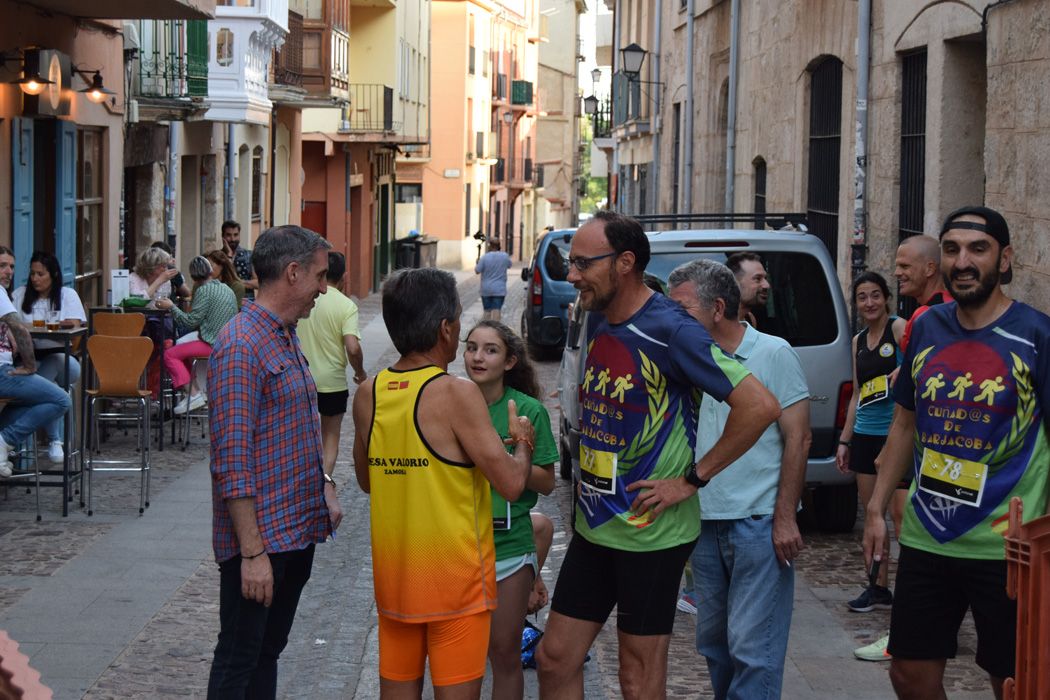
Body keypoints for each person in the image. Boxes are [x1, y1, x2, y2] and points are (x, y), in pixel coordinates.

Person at [535, 210, 782, 700]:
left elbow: (759, 406)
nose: (570, 274)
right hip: (597, 523)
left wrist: (691, 480)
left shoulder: (674, 329)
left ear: (624, 262)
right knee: (554, 658)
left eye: (583, 263)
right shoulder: (598, 317)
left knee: (637, 675)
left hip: (651, 535)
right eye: (570, 262)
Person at [863, 206, 1050, 700]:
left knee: (1013, 680)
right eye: (952, 250)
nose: (963, 261)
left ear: (1004, 259)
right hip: (929, 536)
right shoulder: (926, 328)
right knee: (908, 672)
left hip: (1008, 546)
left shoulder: (1037, 335)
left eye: (977, 249)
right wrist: (877, 507)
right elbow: (905, 422)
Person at [351, 268, 533, 699]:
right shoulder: (456, 393)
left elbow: (366, 480)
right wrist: (522, 440)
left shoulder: (369, 393)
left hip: (396, 586)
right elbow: (511, 485)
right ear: (446, 329)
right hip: (457, 589)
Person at [206, 226, 341, 699]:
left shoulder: (284, 335)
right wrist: (252, 554)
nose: (324, 288)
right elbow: (233, 463)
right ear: (292, 272)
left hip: (295, 533)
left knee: (265, 654)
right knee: (239, 659)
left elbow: (297, 430)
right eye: (320, 277)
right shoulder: (242, 345)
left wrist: (324, 482)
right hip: (263, 542)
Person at [667, 259, 810, 698]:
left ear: (718, 308)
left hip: (757, 522)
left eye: (683, 309)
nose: (673, 319)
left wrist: (784, 517)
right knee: (715, 645)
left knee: (754, 647)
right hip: (704, 521)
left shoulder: (772, 353)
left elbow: (798, 438)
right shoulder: (687, 358)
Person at [463, 320, 557, 699]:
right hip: (459, 546)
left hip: (510, 547)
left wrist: (506, 457)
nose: (477, 357)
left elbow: (548, 482)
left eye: (490, 350)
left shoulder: (529, 411)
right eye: (471, 348)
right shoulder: (451, 402)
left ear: (510, 361)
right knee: (464, 656)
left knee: (504, 654)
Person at [836, 272, 906, 612]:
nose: (869, 303)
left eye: (875, 295)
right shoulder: (858, 341)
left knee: (901, 514)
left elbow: (914, 373)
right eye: (863, 297)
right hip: (865, 435)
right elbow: (858, 394)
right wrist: (844, 441)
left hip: (897, 438)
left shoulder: (899, 329)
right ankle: (878, 588)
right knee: (872, 514)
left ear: (886, 298)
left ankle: (914, 588)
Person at [0, 246, 71, 478]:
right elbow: (19, 327)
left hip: (12, 367)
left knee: (25, 405)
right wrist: (30, 366)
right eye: (2, 266)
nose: (8, 271)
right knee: (61, 399)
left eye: (11, 266)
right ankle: (4, 442)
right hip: (2, 372)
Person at [296, 252, 366, 478]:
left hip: (301, 377)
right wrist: (360, 372)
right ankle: (324, 481)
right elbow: (353, 347)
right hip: (332, 382)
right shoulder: (346, 306)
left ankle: (301, 480)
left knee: (300, 435)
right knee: (331, 437)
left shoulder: (304, 299)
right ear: (344, 276)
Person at [155, 256, 239, 416]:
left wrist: (171, 307)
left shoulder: (203, 290)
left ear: (193, 277)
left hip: (211, 343)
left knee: (169, 354)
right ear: (210, 271)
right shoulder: (226, 288)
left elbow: (189, 322)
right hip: (227, 342)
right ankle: (195, 392)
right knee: (181, 348)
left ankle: (193, 394)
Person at [894, 233, 951, 352]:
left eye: (904, 266)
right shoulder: (953, 304)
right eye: (897, 266)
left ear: (929, 269)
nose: (897, 273)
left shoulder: (925, 315)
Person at [726, 252, 771, 326]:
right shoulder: (710, 326)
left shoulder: (750, 320)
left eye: (765, 278)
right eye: (758, 278)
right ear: (734, 283)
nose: (766, 285)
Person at [475, 238, 512, 322]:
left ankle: (486, 329)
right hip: (499, 289)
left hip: (486, 289)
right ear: (499, 246)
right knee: (496, 311)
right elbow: (509, 265)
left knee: (487, 311)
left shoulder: (484, 257)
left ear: (490, 246)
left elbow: (477, 270)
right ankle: (495, 330)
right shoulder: (504, 256)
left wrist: (478, 262)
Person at [221, 220, 258, 298]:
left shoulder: (249, 255)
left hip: (246, 305)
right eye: (228, 235)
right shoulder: (217, 257)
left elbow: (258, 283)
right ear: (223, 237)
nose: (232, 239)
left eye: (236, 235)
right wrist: (229, 256)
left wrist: (237, 283)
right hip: (224, 304)